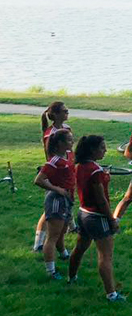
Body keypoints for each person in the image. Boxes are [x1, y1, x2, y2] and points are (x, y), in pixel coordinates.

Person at [68, 135, 126, 302]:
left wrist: (104, 177)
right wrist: (111, 220)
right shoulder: (95, 170)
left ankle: (71, 277)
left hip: (83, 213)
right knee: (105, 256)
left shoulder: (80, 166)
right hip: (97, 216)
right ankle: (111, 294)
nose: (105, 150)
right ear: (92, 150)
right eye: (102, 147)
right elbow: (101, 199)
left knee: (80, 248)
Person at [33, 130, 75, 280]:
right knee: (52, 236)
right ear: (60, 144)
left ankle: (63, 253)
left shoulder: (69, 156)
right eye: (69, 140)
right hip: (57, 200)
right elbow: (39, 180)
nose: (72, 143)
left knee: (62, 231)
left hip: (67, 199)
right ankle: (51, 271)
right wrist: (57, 189)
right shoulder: (54, 161)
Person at [32, 101, 71, 253]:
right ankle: (39, 242)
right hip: (57, 174)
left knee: (64, 205)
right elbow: (51, 157)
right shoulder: (51, 134)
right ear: (55, 114)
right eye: (64, 110)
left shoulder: (66, 128)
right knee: (49, 212)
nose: (67, 113)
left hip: (67, 169)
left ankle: (63, 240)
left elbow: (69, 150)